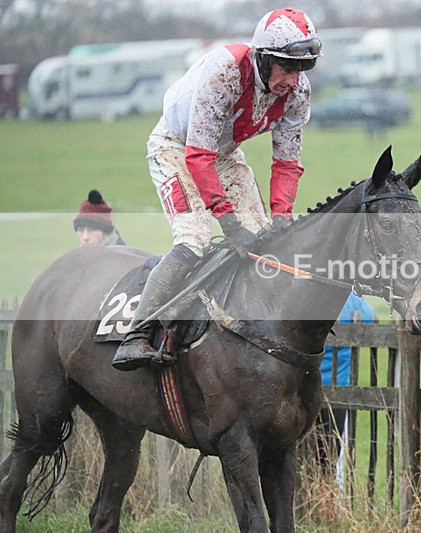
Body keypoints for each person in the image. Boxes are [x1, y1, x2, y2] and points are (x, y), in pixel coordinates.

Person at [113, 8, 323, 371]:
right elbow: (197, 157)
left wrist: (282, 215)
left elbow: (287, 162)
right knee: (194, 238)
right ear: (264, 57)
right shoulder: (224, 72)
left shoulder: (297, 93)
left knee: (264, 238)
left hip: (223, 154)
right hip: (177, 149)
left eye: (301, 70)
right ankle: (137, 332)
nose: (293, 80)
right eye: (287, 68)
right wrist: (228, 223)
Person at [316, 292, 376, 483]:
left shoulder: (311, 295)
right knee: (333, 456)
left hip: (304, 389)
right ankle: (330, 498)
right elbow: (371, 319)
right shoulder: (350, 299)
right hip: (339, 391)